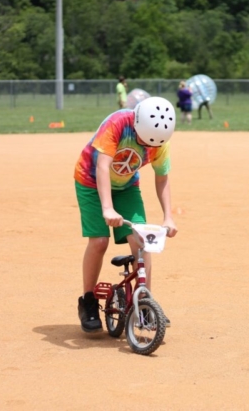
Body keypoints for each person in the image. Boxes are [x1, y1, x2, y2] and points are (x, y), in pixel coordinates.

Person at [74, 96, 178, 333]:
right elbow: (102, 166)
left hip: (126, 185)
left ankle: (144, 302)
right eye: (143, 140)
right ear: (137, 123)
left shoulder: (160, 142)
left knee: (140, 241)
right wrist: (107, 208)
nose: (147, 146)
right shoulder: (118, 123)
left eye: (152, 144)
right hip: (90, 181)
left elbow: (162, 178)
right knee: (100, 241)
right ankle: (88, 301)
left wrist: (168, 216)